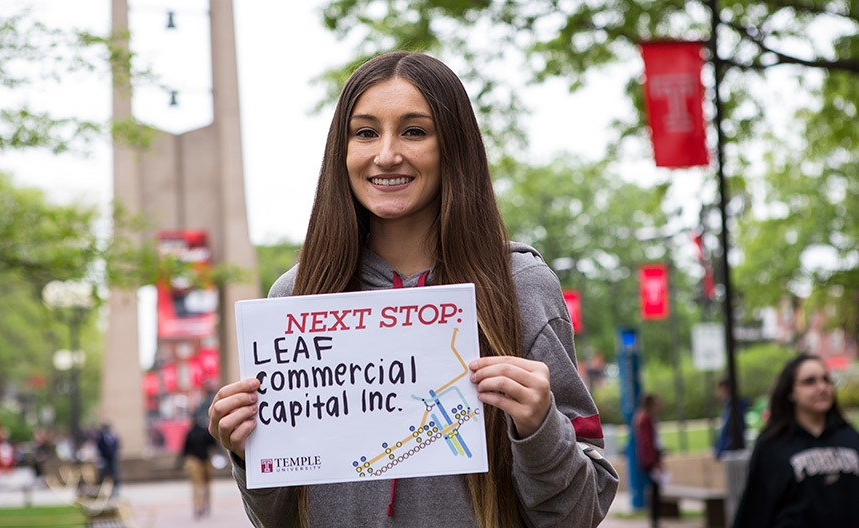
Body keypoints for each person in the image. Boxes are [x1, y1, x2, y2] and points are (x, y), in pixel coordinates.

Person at [208, 50, 618, 527]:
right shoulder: (295, 300)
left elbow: (581, 514)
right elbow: (277, 521)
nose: (386, 154)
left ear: (454, 147)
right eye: (365, 132)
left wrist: (539, 427)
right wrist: (247, 452)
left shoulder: (521, 287)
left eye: (414, 131)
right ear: (341, 152)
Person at [732, 354, 859, 528]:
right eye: (810, 382)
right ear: (790, 392)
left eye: (826, 380)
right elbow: (755, 510)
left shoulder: (850, 437)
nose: (822, 387)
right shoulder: (773, 445)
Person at [179, 415, 219, 519]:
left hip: (193, 461)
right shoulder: (205, 432)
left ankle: (197, 507)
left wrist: (179, 463)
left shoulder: (190, 433)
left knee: (196, 486)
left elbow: (184, 450)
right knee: (206, 485)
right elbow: (213, 444)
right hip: (205, 459)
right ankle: (206, 504)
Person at [635, 393, 664, 528]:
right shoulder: (646, 420)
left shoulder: (644, 418)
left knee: (655, 490)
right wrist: (654, 461)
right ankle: (654, 521)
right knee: (654, 491)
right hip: (650, 461)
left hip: (649, 459)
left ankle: (655, 520)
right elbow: (647, 443)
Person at [714, 377, 748, 459]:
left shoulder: (733, 407)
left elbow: (734, 431)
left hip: (731, 452)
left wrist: (722, 449)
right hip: (730, 450)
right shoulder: (729, 406)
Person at [95, 422, 120, 492]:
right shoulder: (101, 437)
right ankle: (99, 490)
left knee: (114, 475)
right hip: (104, 459)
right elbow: (99, 447)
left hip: (112, 459)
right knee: (102, 476)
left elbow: (117, 445)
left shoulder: (113, 436)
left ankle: (115, 490)